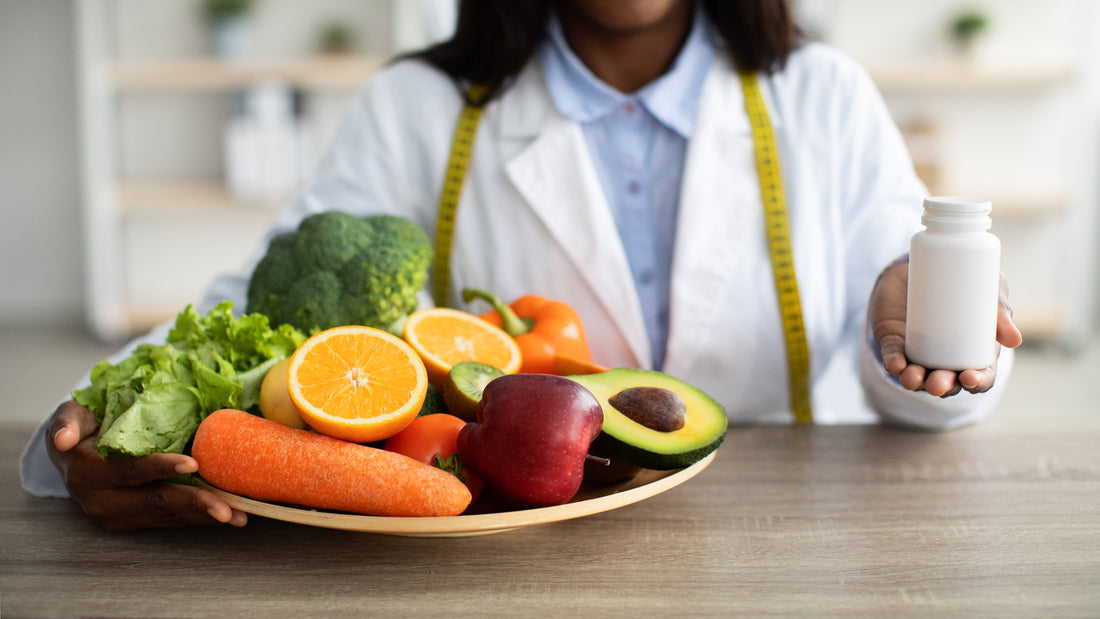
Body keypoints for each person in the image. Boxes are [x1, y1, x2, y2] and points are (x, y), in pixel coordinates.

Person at [22, 0, 1023, 530]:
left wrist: (921, 335)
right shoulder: (417, 108)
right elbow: (260, 304)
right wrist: (95, 417)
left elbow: (927, 391)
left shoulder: (823, 98)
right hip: (508, 567)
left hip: (796, 547)